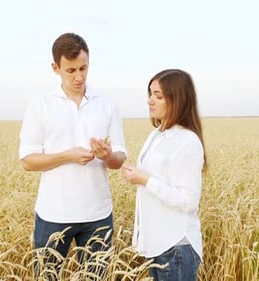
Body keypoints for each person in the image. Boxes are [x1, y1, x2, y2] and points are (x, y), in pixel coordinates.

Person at [19, 32, 127, 279]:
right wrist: (67, 156)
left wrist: (108, 156)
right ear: (55, 68)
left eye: (84, 68)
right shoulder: (40, 105)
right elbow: (27, 160)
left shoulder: (107, 104)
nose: (79, 76)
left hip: (98, 215)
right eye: (70, 70)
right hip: (53, 215)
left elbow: (119, 157)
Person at [121, 69, 206, 281]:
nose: (150, 101)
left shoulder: (187, 141)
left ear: (178, 100)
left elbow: (188, 201)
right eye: (150, 94)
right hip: (157, 245)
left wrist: (144, 179)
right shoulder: (157, 135)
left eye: (158, 96)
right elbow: (153, 177)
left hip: (176, 247)